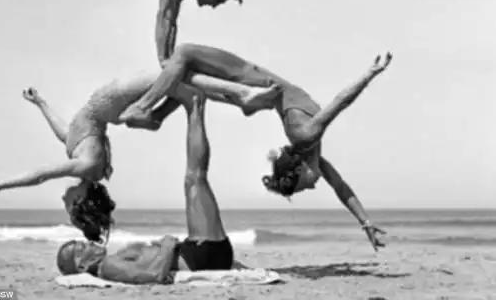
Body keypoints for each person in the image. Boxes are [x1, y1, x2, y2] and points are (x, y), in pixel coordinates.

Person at [118, 43, 393, 251]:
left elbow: (341, 188)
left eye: (304, 187)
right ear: (299, 169)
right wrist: (369, 74)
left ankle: (154, 115)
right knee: (183, 57)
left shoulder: (307, 143)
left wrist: (365, 224)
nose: (312, 186)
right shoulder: (308, 137)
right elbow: (340, 103)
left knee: (183, 58)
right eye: (304, 186)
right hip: (249, 80)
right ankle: (146, 110)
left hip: (252, 83)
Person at [0, 67, 280, 216]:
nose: (64, 201)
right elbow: (40, 174)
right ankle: (244, 96)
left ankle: (239, 99)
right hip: (110, 101)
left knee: (180, 79)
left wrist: (40, 102)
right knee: (179, 72)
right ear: (81, 201)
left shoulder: (83, 161)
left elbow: (65, 133)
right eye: (69, 206)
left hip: (109, 106)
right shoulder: (87, 166)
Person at [56, 88, 240, 282]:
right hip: (201, 256)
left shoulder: (109, 263)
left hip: (202, 255)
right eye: (82, 248)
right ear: (82, 266)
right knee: (195, 178)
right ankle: (192, 104)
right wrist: (167, 245)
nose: (89, 245)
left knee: (194, 179)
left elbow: (144, 268)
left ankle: (190, 103)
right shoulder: (108, 267)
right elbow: (152, 275)